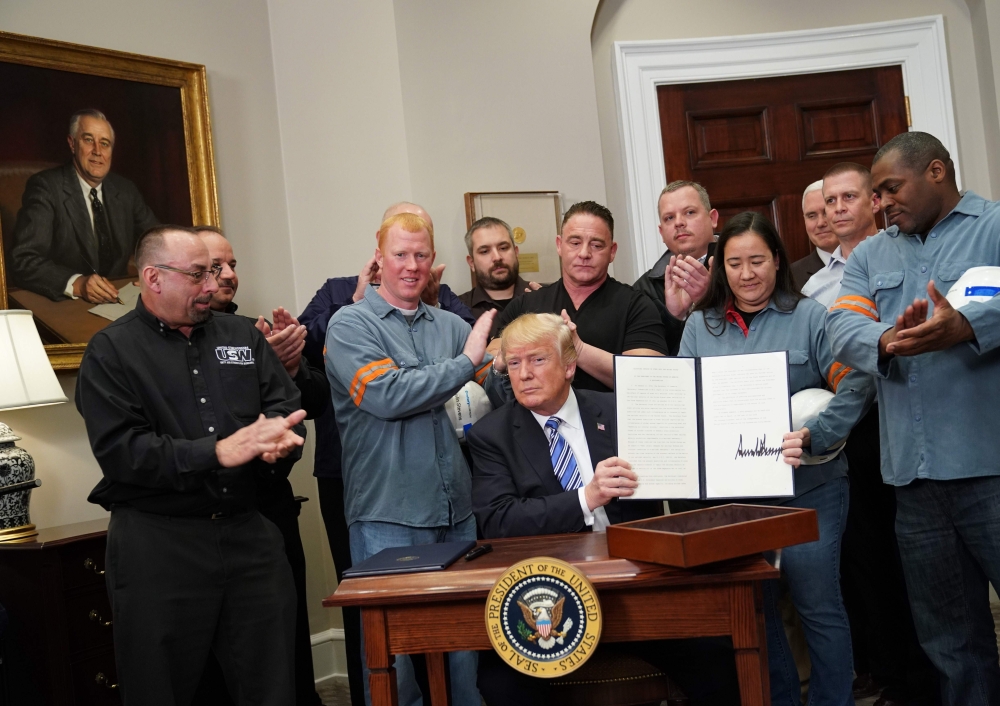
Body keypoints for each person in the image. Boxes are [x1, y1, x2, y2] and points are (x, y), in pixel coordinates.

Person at [75, 225, 306, 705]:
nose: (212, 284)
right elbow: (123, 451)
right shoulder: (111, 351)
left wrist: (281, 441)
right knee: (162, 688)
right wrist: (216, 451)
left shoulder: (242, 335)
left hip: (247, 531)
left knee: (274, 684)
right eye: (199, 273)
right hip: (159, 545)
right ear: (153, 279)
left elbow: (285, 407)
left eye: (215, 271)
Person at [469, 312, 740, 706]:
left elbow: (690, 461)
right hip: (547, 594)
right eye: (514, 363)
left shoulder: (619, 412)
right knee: (502, 686)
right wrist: (586, 497)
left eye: (537, 360)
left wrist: (763, 450)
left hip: (633, 586)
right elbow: (498, 520)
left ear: (569, 366)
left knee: (716, 656)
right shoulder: (492, 435)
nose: (524, 373)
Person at [827, 131, 1000, 706]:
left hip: (990, 471)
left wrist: (968, 326)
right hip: (914, 484)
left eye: (889, 188)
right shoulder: (872, 254)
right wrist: (887, 337)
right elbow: (840, 328)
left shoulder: (994, 228)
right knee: (949, 643)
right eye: (875, 194)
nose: (881, 204)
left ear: (936, 172)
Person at [680, 211, 873, 706]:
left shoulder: (810, 317)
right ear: (720, 267)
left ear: (778, 261)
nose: (747, 274)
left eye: (758, 261)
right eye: (735, 263)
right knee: (755, 611)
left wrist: (816, 434)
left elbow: (856, 381)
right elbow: (682, 401)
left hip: (813, 491)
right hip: (739, 500)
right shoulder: (701, 328)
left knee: (818, 604)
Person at [298, 201, 475, 706]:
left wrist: (516, 360)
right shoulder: (349, 326)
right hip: (386, 516)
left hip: (457, 510)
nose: (412, 266)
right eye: (401, 254)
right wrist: (469, 362)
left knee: (464, 651)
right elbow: (388, 396)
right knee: (392, 668)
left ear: (433, 258)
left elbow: (497, 394)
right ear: (378, 258)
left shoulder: (450, 325)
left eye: (421, 255)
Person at [802, 165, 936, 706]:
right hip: (849, 438)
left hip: (899, 420)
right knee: (865, 559)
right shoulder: (813, 286)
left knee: (916, 559)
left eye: (848, 197)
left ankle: (925, 673)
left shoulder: (900, 256)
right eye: (828, 201)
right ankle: (888, 675)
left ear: (874, 202)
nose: (836, 209)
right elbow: (831, 359)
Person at [192, 225, 326, 706]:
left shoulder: (255, 329)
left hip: (268, 507)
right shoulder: (161, 340)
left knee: (283, 651)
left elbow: (313, 402)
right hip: (195, 523)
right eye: (213, 267)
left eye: (231, 265)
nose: (227, 275)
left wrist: (287, 370)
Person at [494, 201, 667, 391]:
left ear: (612, 251)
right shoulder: (526, 305)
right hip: (536, 420)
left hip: (611, 419)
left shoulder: (636, 306)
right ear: (559, 245)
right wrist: (502, 362)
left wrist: (579, 349)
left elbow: (651, 380)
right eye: (575, 243)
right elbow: (489, 365)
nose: (584, 253)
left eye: (596, 245)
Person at [9, 109, 159, 302]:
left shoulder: (125, 190)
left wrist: (158, 274)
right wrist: (77, 283)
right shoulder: (46, 187)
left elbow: (158, 241)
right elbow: (24, 260)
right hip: (67, 305)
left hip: (118, 301)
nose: (97, 151)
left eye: (104, 144)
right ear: (72, 144)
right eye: (89, 140)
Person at [633, 181, 718, 354]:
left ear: (713, 218)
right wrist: (674, 318)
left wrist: (710, 300)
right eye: (669, 218)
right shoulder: (644, 290)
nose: (679, 223)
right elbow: (650, 361)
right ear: (661, 232)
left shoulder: (741, 267)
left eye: (689, 212)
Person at [457, 216, 531, 337]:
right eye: (485, 251)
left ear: (516, 252)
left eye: (503, 248)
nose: (497, 257)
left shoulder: (544, 297)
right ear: (471, 263)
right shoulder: (458, 311)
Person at [791, 180, 839, 292]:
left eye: (826, 213)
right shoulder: (790, 278)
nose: (821, 223)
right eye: (811, 216)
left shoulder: (866, 261)